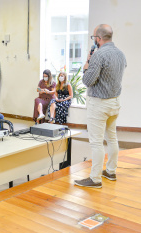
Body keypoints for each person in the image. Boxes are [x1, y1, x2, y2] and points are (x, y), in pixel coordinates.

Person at [74, 24, 127, 188]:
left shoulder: (99, 55)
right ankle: (110, 171)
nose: (93, 40)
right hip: (115, 102)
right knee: (112, 138)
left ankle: (95, 179)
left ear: (99, 38)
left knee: (96, 142)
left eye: (93, 37)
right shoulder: (120, 54)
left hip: (99, 104)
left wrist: (85, 69)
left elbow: (88, 81)